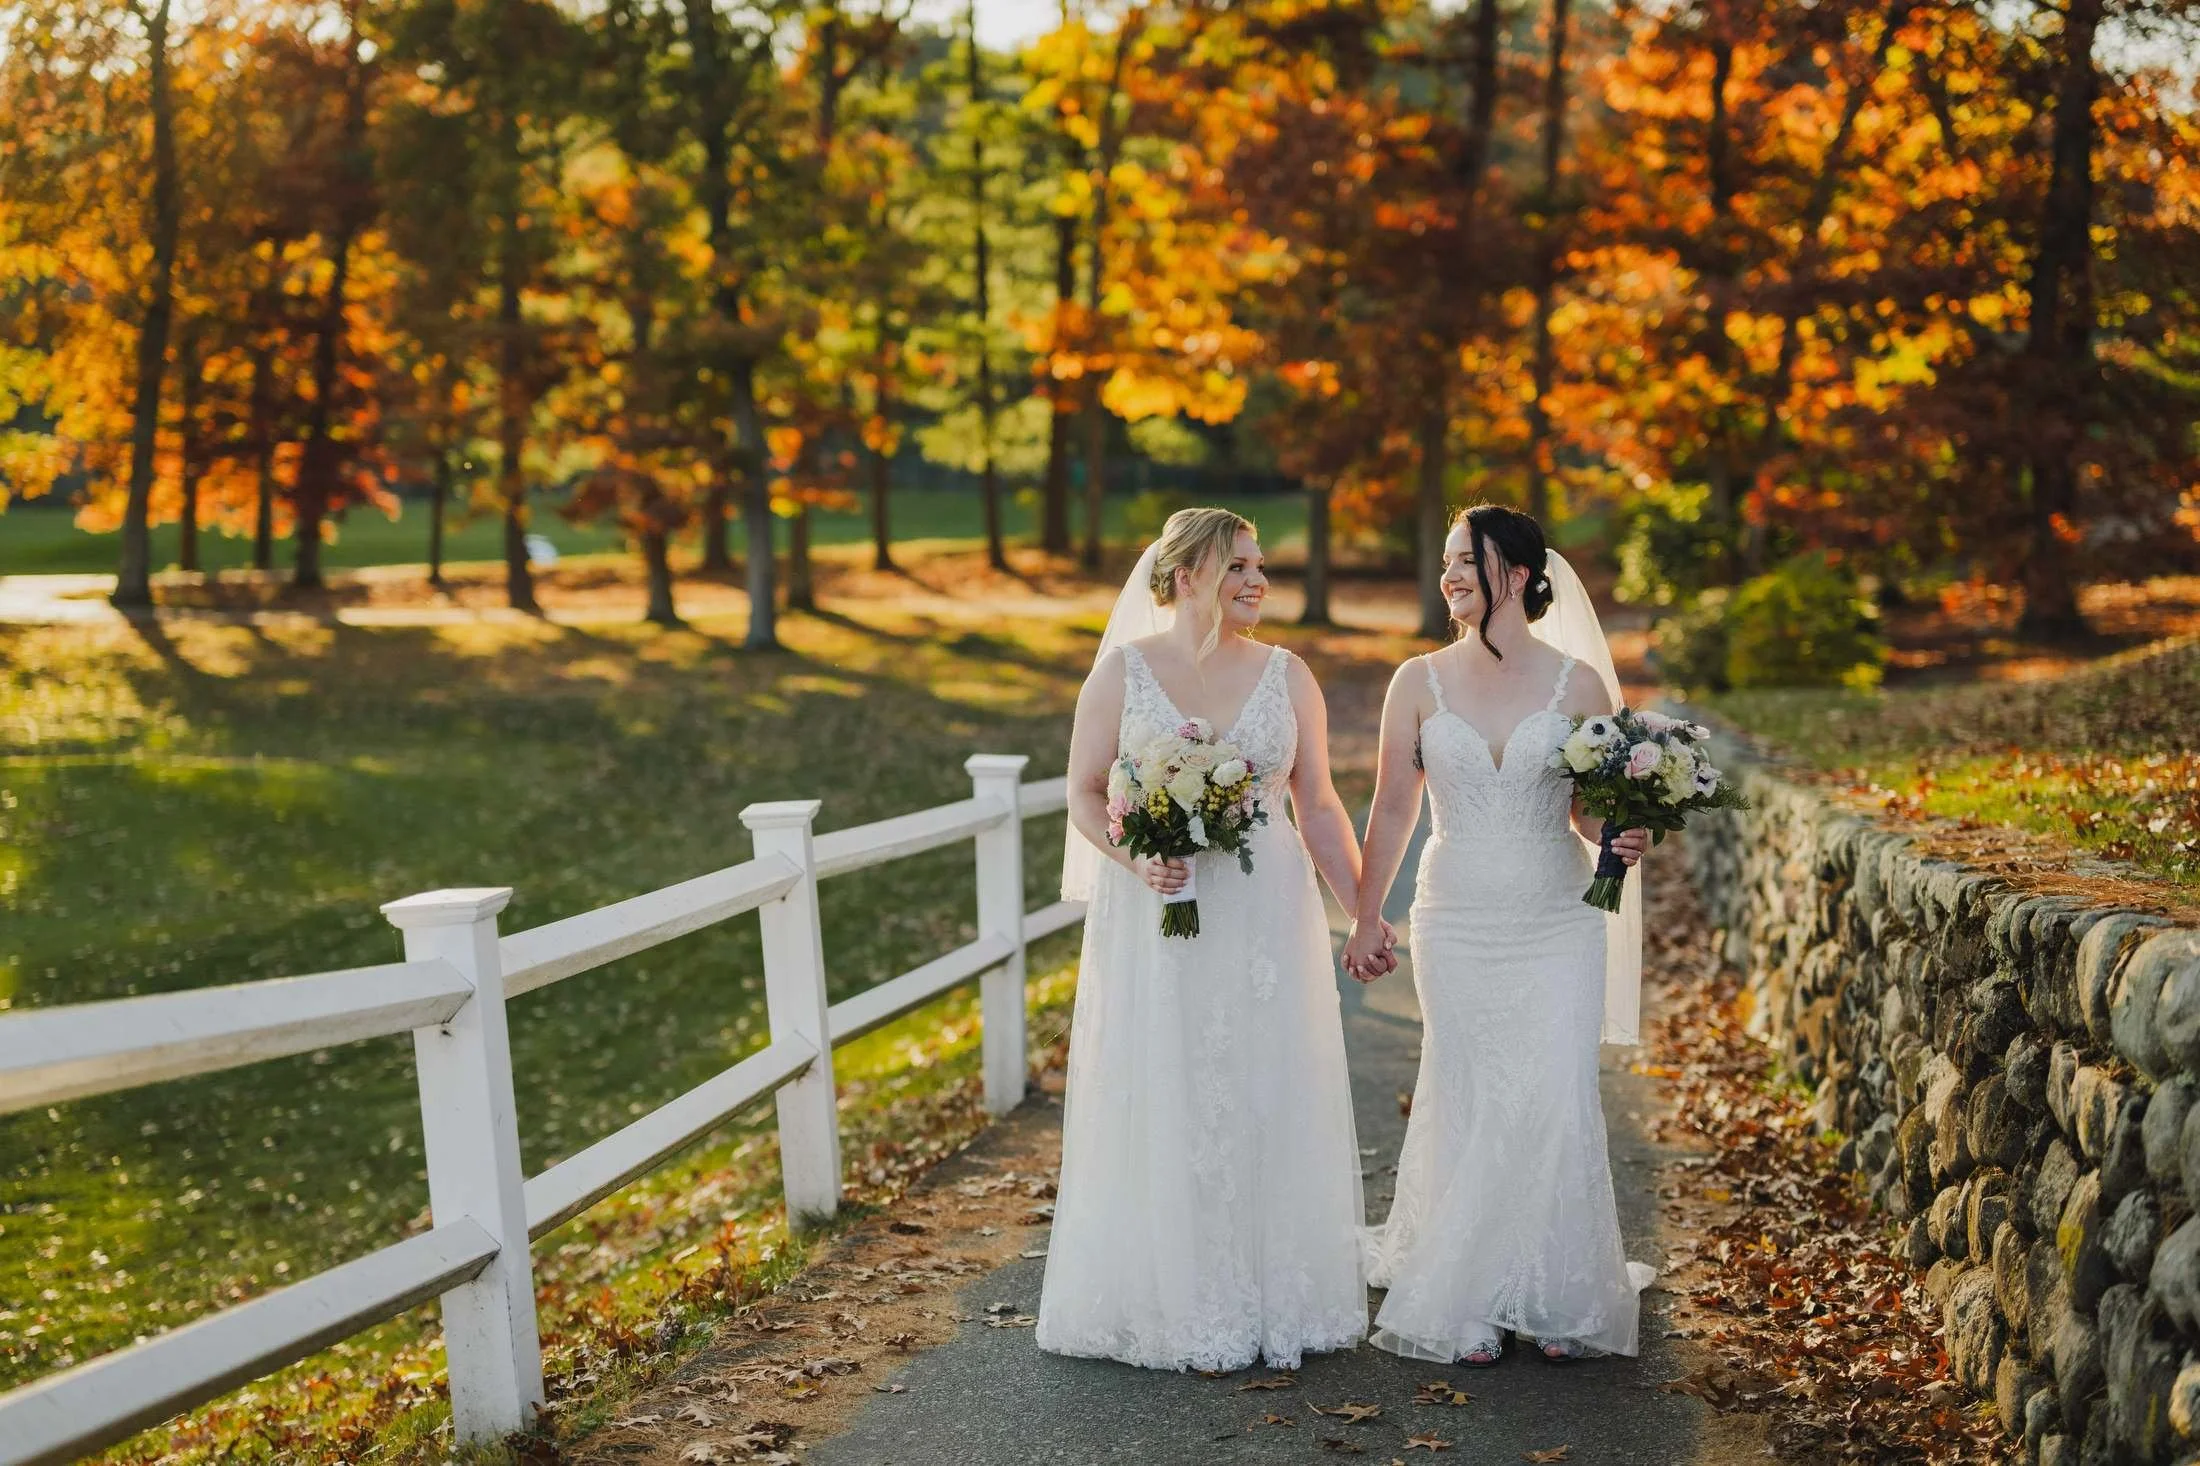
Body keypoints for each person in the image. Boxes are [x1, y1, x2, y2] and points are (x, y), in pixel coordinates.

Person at [1037, 507, 1392, 1372]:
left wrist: (1363, 910)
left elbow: (1316, 805)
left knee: (1265, 1083)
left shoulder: (1287, 674)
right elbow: (1083, 792)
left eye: (1261, 565)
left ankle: (1278, 1295)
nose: (1258, 581)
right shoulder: (1123, 675)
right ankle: (1181, 1301)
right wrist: (1134, 860)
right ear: (1188, 572)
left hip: (1267, 912)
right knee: (1174, 1087)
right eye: (1239, 566)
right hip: (1160, 917)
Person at [1344, 503, 1656, 1366]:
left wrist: (1628, 834)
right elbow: (1394, 808)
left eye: (1464, 562)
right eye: (1444, 560)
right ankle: (1473, 1288)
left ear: (1515, 574)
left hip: (1557, 918)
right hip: (1456, 917)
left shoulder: (1579, 687)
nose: (1447, 577)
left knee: (1552, 1087)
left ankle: (1554, 1287)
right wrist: (1367, 914)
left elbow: (1593, 812)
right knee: (1475, 1088)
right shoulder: (1417, 681)